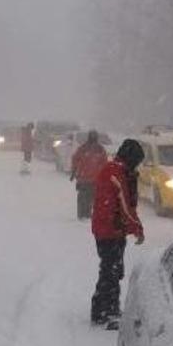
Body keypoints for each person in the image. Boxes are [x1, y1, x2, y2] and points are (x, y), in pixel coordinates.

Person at [90, 139, 145, 330]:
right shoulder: (116, 173)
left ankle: (107, 308)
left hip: (110, 230)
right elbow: (124, 206)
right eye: (137, 161)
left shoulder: (117, 170)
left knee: (112, 269)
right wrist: (136, 228)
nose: (137, 165)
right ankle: (104, 311)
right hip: (109, 231)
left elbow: (126, 206)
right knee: (111, 271)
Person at [70, 130, 108, 219]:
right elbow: (104, 163)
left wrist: (74, 172)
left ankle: (84, 214)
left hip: (87, 178)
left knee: (86, 198)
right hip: (89, 179)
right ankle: (84, 214)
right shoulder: (98, 149)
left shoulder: (86, 148)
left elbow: (75, 160)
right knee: (88, 197)